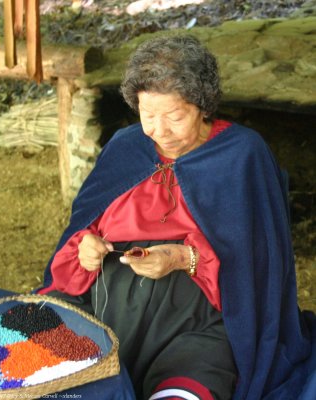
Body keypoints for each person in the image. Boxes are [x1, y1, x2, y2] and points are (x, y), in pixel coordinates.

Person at [39, 35, 314, 399]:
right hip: (104, 312)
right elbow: (83, 226)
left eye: (174, 116)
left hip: (198, 328)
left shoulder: (242, 155)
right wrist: (84, 247)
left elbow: (259, 262)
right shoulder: (126, 145)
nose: (159, 130)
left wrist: (184, 258)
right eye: (147, 114)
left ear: (202, 105)